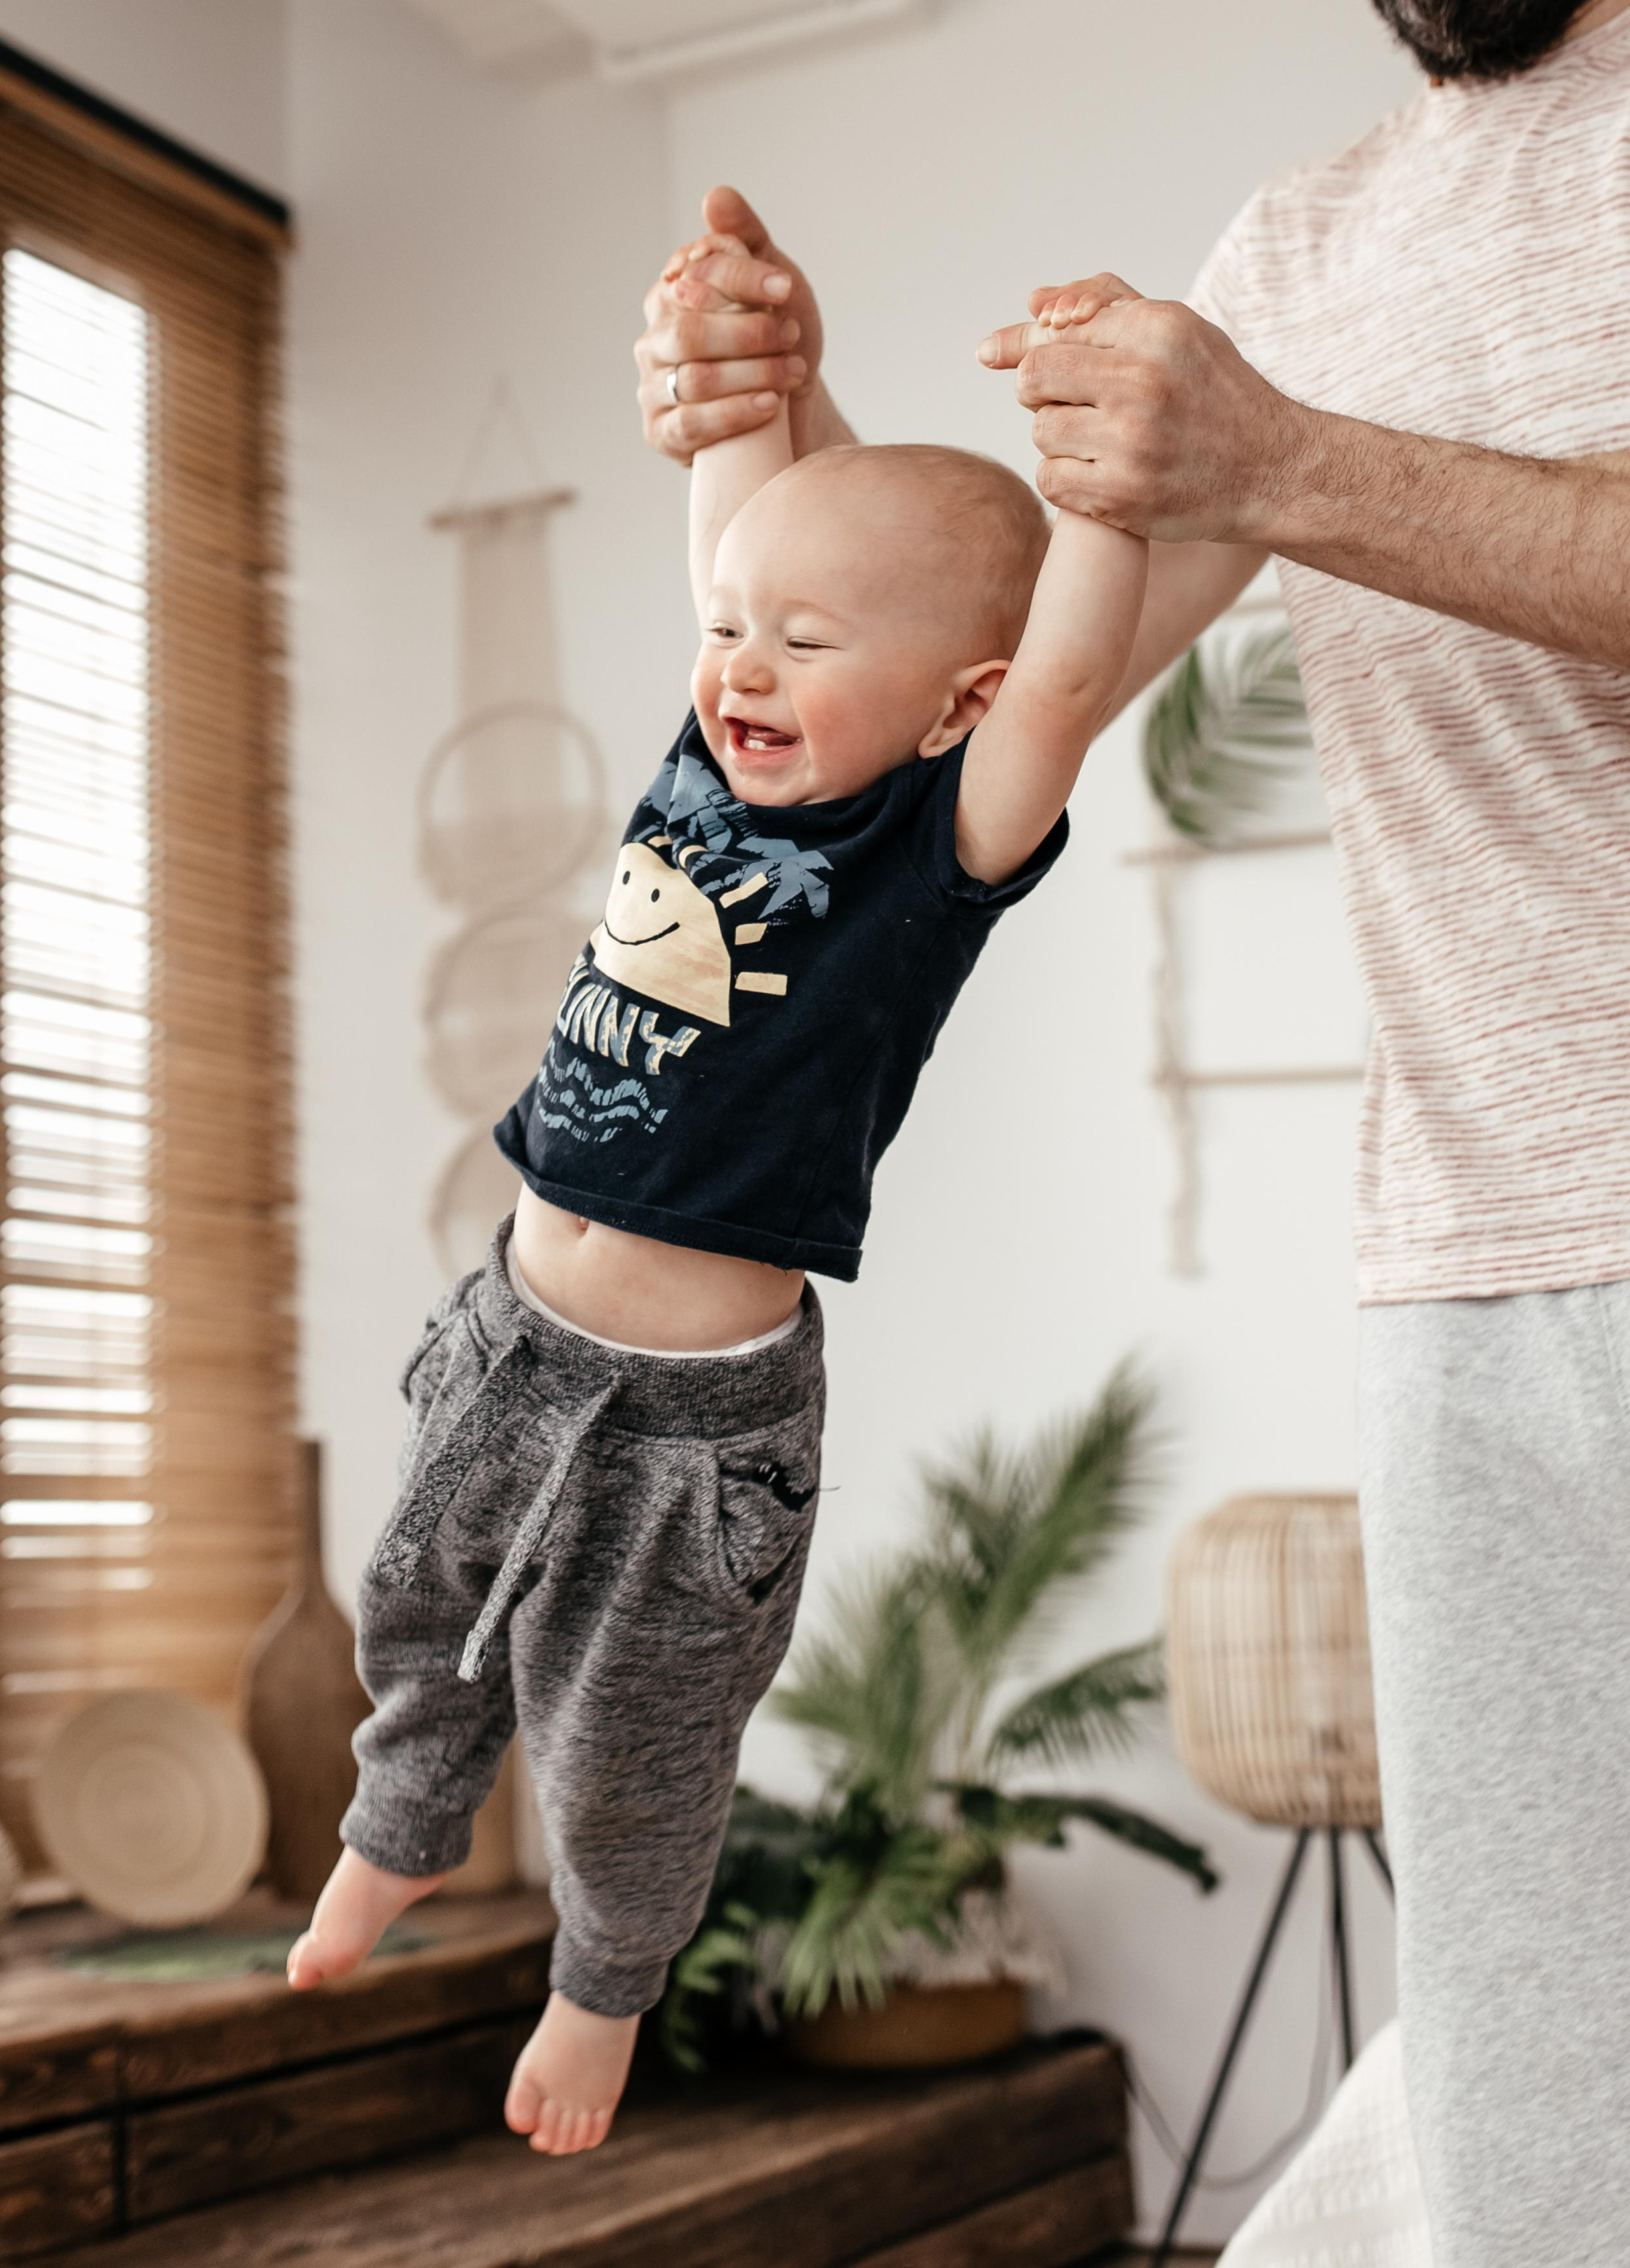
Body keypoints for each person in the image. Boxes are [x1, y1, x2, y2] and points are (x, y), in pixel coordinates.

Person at [631, 5, 1630, 2260]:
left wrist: (1287, 457)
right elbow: (1015, 678)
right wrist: (793, 446)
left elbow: (1276, 477)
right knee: (1538, 2087)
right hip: (1468, 1273)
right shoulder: (1306, 242)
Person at [284, 283, 1149, 2156]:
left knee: (633, 1734)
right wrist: (735, 331)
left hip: (698, 1429)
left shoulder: (938, 847)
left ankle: (605, 1985)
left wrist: (1105, 485)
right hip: (512, 1328)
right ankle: (399, 1832)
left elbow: (1074, 679)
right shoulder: (704, 762)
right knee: (422, 1603)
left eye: (804, 643)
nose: (742, 667)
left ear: (959, 702)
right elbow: (737, 509)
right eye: (730, 631)